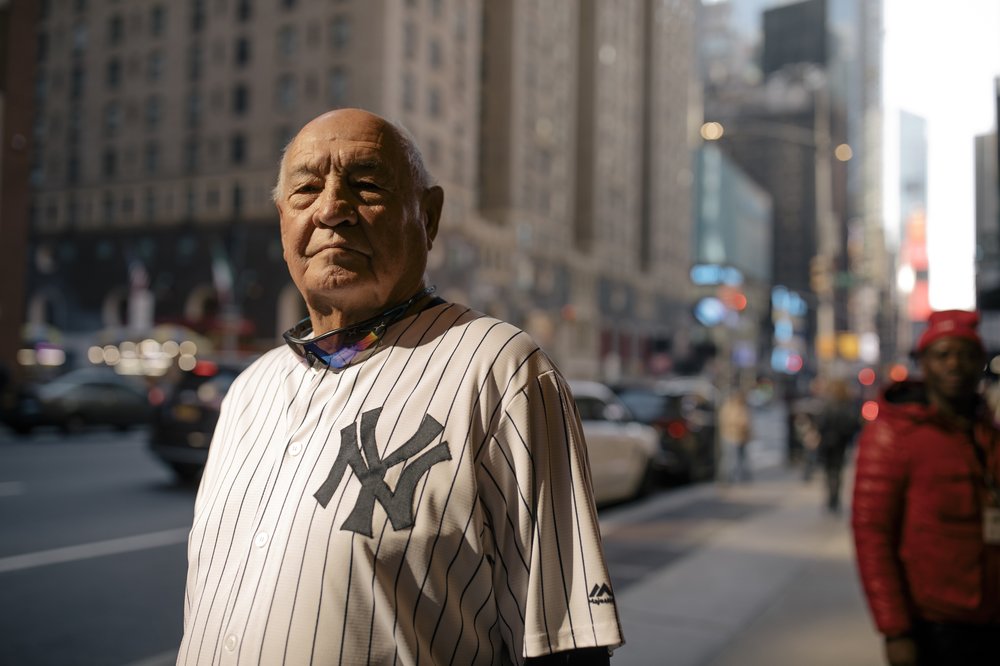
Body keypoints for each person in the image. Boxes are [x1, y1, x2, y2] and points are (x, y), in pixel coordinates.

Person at [177, 108, 623, 666]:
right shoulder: (249, 389)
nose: (332, 209)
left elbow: (567, 644)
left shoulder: (501, 372)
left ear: (428, 217)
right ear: (282, 221)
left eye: (366, 185)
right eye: (306, 190)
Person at [852, 309, 1000, 666]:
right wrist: (895, 630)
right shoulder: (894, 434)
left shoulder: (987, 430)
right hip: (933, 625)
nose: (954, 365)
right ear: (925, 362)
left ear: (980, 361)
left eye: (965, 354)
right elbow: (872, 534)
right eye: (943, 354)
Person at [815, 377, 859, 513]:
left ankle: (831, 497)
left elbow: (821, 423)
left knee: (829, 470)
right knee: (837, 470)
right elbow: (854, 423)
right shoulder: (848, 404)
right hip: (841, 442)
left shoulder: (828, 403)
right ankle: (835, 498)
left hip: (828, 441)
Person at [719, 390, 753, 483]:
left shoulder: (744, 407)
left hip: (742, 436)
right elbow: (726, 420)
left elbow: (748, 420)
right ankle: (729, 477)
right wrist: (739, 424)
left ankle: (742, 476)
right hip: (731, 435)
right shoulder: (729, 406)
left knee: (742, 457)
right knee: (731, 458)